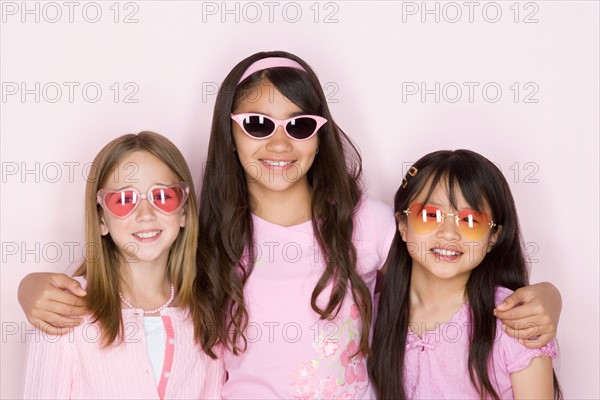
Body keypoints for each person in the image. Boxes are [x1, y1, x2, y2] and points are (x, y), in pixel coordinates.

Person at [18, 52, 562, 398]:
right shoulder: (209, 236)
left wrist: (546, 297)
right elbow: (140, 268)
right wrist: (32, 286)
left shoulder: (367, 226)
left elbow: (443, 272)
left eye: (299, 125)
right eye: (257, 123)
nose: (279, 143)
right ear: (229, 133)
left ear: (320, 134)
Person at [22, 132, 224, 399]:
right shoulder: (64, 311)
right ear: (102, 220)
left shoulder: (205, 313)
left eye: (162, 196)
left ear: (184, 212)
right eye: (124, 200)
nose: (145, 214)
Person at [368, 149, 562, 399]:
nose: (449, 233)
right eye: (429, 215)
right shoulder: (370, 314)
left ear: (493, 237)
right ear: (403, 225)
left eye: (470, 220)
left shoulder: (515, 323)